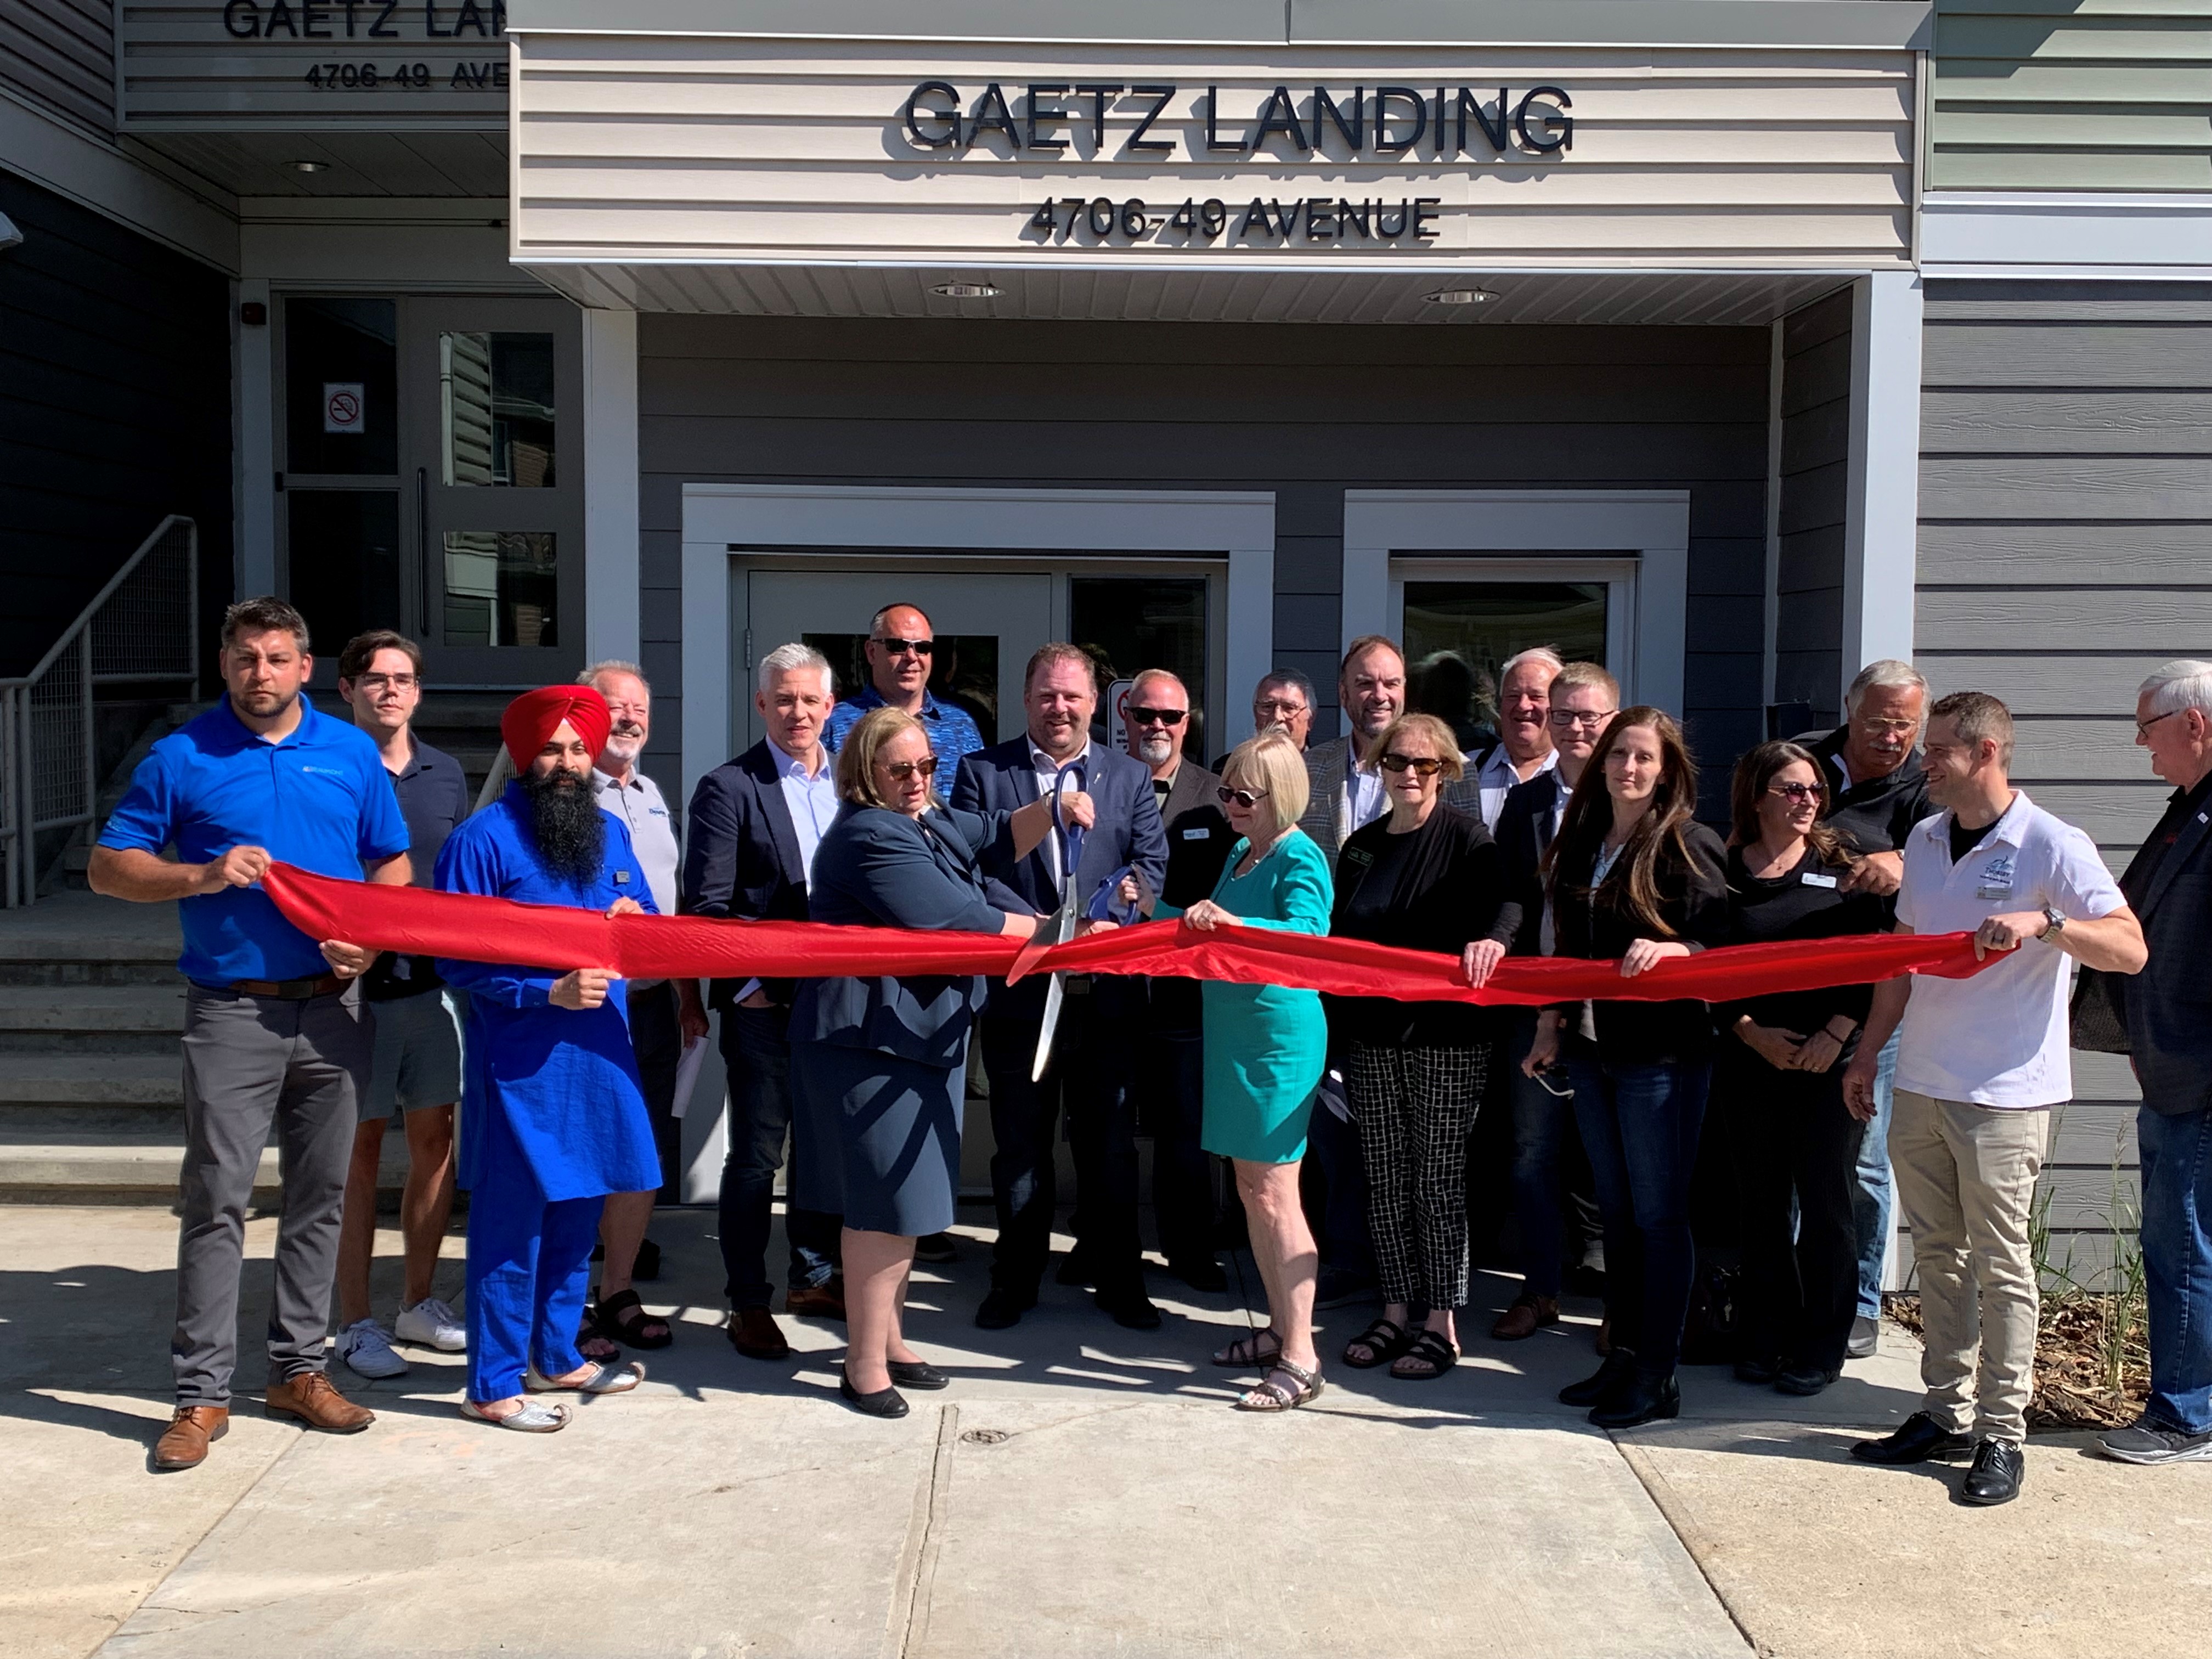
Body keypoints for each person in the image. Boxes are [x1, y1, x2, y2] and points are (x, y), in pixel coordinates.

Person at [91, 597, 410, 1472]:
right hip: (232, 1009)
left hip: (333, 1006)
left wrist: (372, 941)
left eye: (276, 658)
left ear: (306, 667)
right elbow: (109, 867)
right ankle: (201, 1395)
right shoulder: (181, 757)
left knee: (320, 1198)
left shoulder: (349, 753)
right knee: (218, 1201)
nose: (259, 673)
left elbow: (390, 862)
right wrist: (199, 874)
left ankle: (299, 1371)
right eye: (244, 658)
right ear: (225, 664)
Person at [1843, 691, 2145, 1505]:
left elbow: (2129, 948)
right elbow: (1903, 962)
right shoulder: (1926, 837)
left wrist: (2047, 923)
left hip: (2006, 1095)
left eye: (1937, 749)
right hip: (1924, 1082)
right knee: (1939, 1258)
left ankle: (2003, 1433)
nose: (1922, 762)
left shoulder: (2053, 843)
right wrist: (1867, 1054)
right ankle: (1944, 1412)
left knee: (2003, 1265)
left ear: (1984, 753)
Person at [792, 705, 1090, 1418]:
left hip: (921, 1040)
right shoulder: (869, 834)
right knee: (882, 1209)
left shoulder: (926, 817)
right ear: (867, 773)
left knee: (909, 1204)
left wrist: (1054, 806)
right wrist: (1061, 935)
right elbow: (958, 917)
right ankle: (863, 1365)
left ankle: (889, 1339)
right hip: (872, 1047)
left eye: (927, 765)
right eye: (901, 769)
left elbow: (991, 836)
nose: (919, 779)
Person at [433, 686, 663, 1430]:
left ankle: (556, 1353)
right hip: (520, 1065)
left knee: (579, 1209)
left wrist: (636, 925)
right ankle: (493, 1382)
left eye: (576, 749)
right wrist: (544, 991)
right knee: (513, 1225)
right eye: (551, 749)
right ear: (523, 757)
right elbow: (456, 960)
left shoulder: (609, 834)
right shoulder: (480, 841)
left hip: (602, 1057)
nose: (566, 763)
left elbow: (654, 929)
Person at [954, 644, 1169, 1330]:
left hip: (1105, 997)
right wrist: (1036, 928)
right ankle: (1015, 1278)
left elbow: (1150, 861)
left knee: (1109, 1146)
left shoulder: (1129, 776)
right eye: (1048, 695)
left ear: (1095, 703)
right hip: (1021, 995)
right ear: (1027, 700)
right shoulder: (983, 774)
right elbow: (972, 869)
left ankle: (1118, 1280)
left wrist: (1130, 904)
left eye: (1073, 696)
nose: (1061, 708)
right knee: (1021, 1146)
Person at [1530, 707, 1730, 1429]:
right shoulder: (1583, 841)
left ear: (1667, 768)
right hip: (1592, 1051)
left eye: (1644, 758)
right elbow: (1566, 949)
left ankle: (1658, 1372)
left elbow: (1727, 950)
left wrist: (1677, 953)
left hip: (1662, 1060)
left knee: (1658, 1217)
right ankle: (1620, 1357)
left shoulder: (1688, 845)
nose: (1629, 769)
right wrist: (1551, 1021)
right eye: (1620, 755)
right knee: (1615, 1214)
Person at [1121, 732, 1333, 1408]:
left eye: (1244, 794)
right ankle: (1280, 1327)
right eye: (1227, 789)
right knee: (1251, 1190)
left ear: (1281, 799)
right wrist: (1143, 911)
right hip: (1238, 1036)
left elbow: (1311, 934)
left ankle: (1301, 1355)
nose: (1229, 803)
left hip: (1277, 1043)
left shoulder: (1300, 854)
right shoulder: (1245, 852)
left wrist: (1231, 925)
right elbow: (1203, 926)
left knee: (1277, 1193)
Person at [1328, 714, 1516, 1381]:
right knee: (1383, 1176)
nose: (1411, 774)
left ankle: (1442, 1321)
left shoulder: (1468, 839)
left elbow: (1509, 904)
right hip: (1372, 1036)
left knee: (1435, 1181)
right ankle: (1394, 1307)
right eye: (1398, 761)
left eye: (1426, 765)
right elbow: (1336, 934)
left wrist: (1493, 939)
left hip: (1446, 1036)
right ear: (1379, 764)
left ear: (1447, 771)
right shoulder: (1362, 846)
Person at [682, 642, 849, 1362]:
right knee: (755, 1158)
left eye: (810, 700)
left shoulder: (853, 783)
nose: (798, 712)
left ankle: (812, 1278)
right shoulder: (730, 788)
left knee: (821, 1152)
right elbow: (708, 909)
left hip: (838, 1004)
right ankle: (747, 1300)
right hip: (764, 1011)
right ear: (761, 705)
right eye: (784, 699)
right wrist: (747, 988)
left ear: (831, 707)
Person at [1714, 742, 1890, 1397]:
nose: (1807, 800)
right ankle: (1765, 1334)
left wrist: (1836, 1034)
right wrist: (1749, 1032)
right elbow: (1704, 962)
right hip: (1750, 1057)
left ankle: (1821, 1344)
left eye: (1815, 790)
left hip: (1828, 1060)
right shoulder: (1725, 869)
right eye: (1792, 789)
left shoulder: (1843, 865)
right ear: (1758, 795)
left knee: (1827, 1206)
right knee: (1760, 1206)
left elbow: (1874, 960)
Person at [330, 630, 471, 1382]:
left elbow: (457, 879)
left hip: (429, 989)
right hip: (349, 994)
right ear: (348, 688)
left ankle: (418, 1302)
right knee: (356, 1157)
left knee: (434, 1145)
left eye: (404, 679)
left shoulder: (445, 774)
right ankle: (355, 1324)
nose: (391, 690)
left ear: (418, 691)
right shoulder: (328, 766)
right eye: (376, 678)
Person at [2089, 661, 2212, 1465]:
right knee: (2181, 1243)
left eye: (2148, 727)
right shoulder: (2189, 813)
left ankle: (2185, 1415)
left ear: (2195, 724)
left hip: (2199, 1075)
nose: (2140, 744)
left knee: (2185, 1244)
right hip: (2171, 1065)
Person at [578, 661, 709, 1357]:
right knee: (585, 1151)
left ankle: (618, 1288)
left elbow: (675, 904)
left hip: (656, 1003)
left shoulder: (655, 795)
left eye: (639, 708)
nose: (629, 718)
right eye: (614, 707)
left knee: (640, 1149)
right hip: (589, 1003)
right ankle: (568, 1298)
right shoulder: (563, 796)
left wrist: (690, 994)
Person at [1802, 659, 1931, 1359]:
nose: (1891, 737)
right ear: (1850, 710)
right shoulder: (1805, 763)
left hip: (1876, 1000)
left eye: (1905, 725)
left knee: (1863, 1161)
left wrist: (1902, 864)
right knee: (1797, 1157)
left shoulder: (1924, 787)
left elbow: (1951, 860)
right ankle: (1797, 1292)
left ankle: (1857, 1303)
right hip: (1792, 988)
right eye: (1878, 721)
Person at [1486, 661, 1617, 1340]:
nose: (1572, 728)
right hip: (1534, 1003)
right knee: (1532, 1154)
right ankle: (1538, 1291)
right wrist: (1496, 940)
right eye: (1562, 714)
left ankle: (1622, 1305)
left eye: (1588, 716)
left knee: (1610, 1157)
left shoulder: (1636, 800)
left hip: (1611, 1013)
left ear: (1612, 721)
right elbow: (1512, 892)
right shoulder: (1527, 802)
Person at [1123, 669, 1237, 1290]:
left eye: (1169, 717)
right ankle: (1102, 1244)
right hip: (1111, 991)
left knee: (1184, 1131)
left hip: (1186, 997)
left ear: (1188, 723)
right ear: (1125, 718)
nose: (1156, 727)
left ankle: (1190, 1248)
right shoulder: (1104, 783)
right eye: (1145, 715)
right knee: (1105, 1127)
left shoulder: (1220, 796)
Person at [822, 601, 986, 763]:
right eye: (898, 646)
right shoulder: (835, 725)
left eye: (922, 647)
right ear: (871, 652)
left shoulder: (961, 725)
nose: (912, 657)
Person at [1468, 647, 1562, 830]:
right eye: (1513, 696)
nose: (1523, 705)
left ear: (1559, 706)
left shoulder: (1574, 777)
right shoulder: (1467, 770)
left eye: (1536, 696)